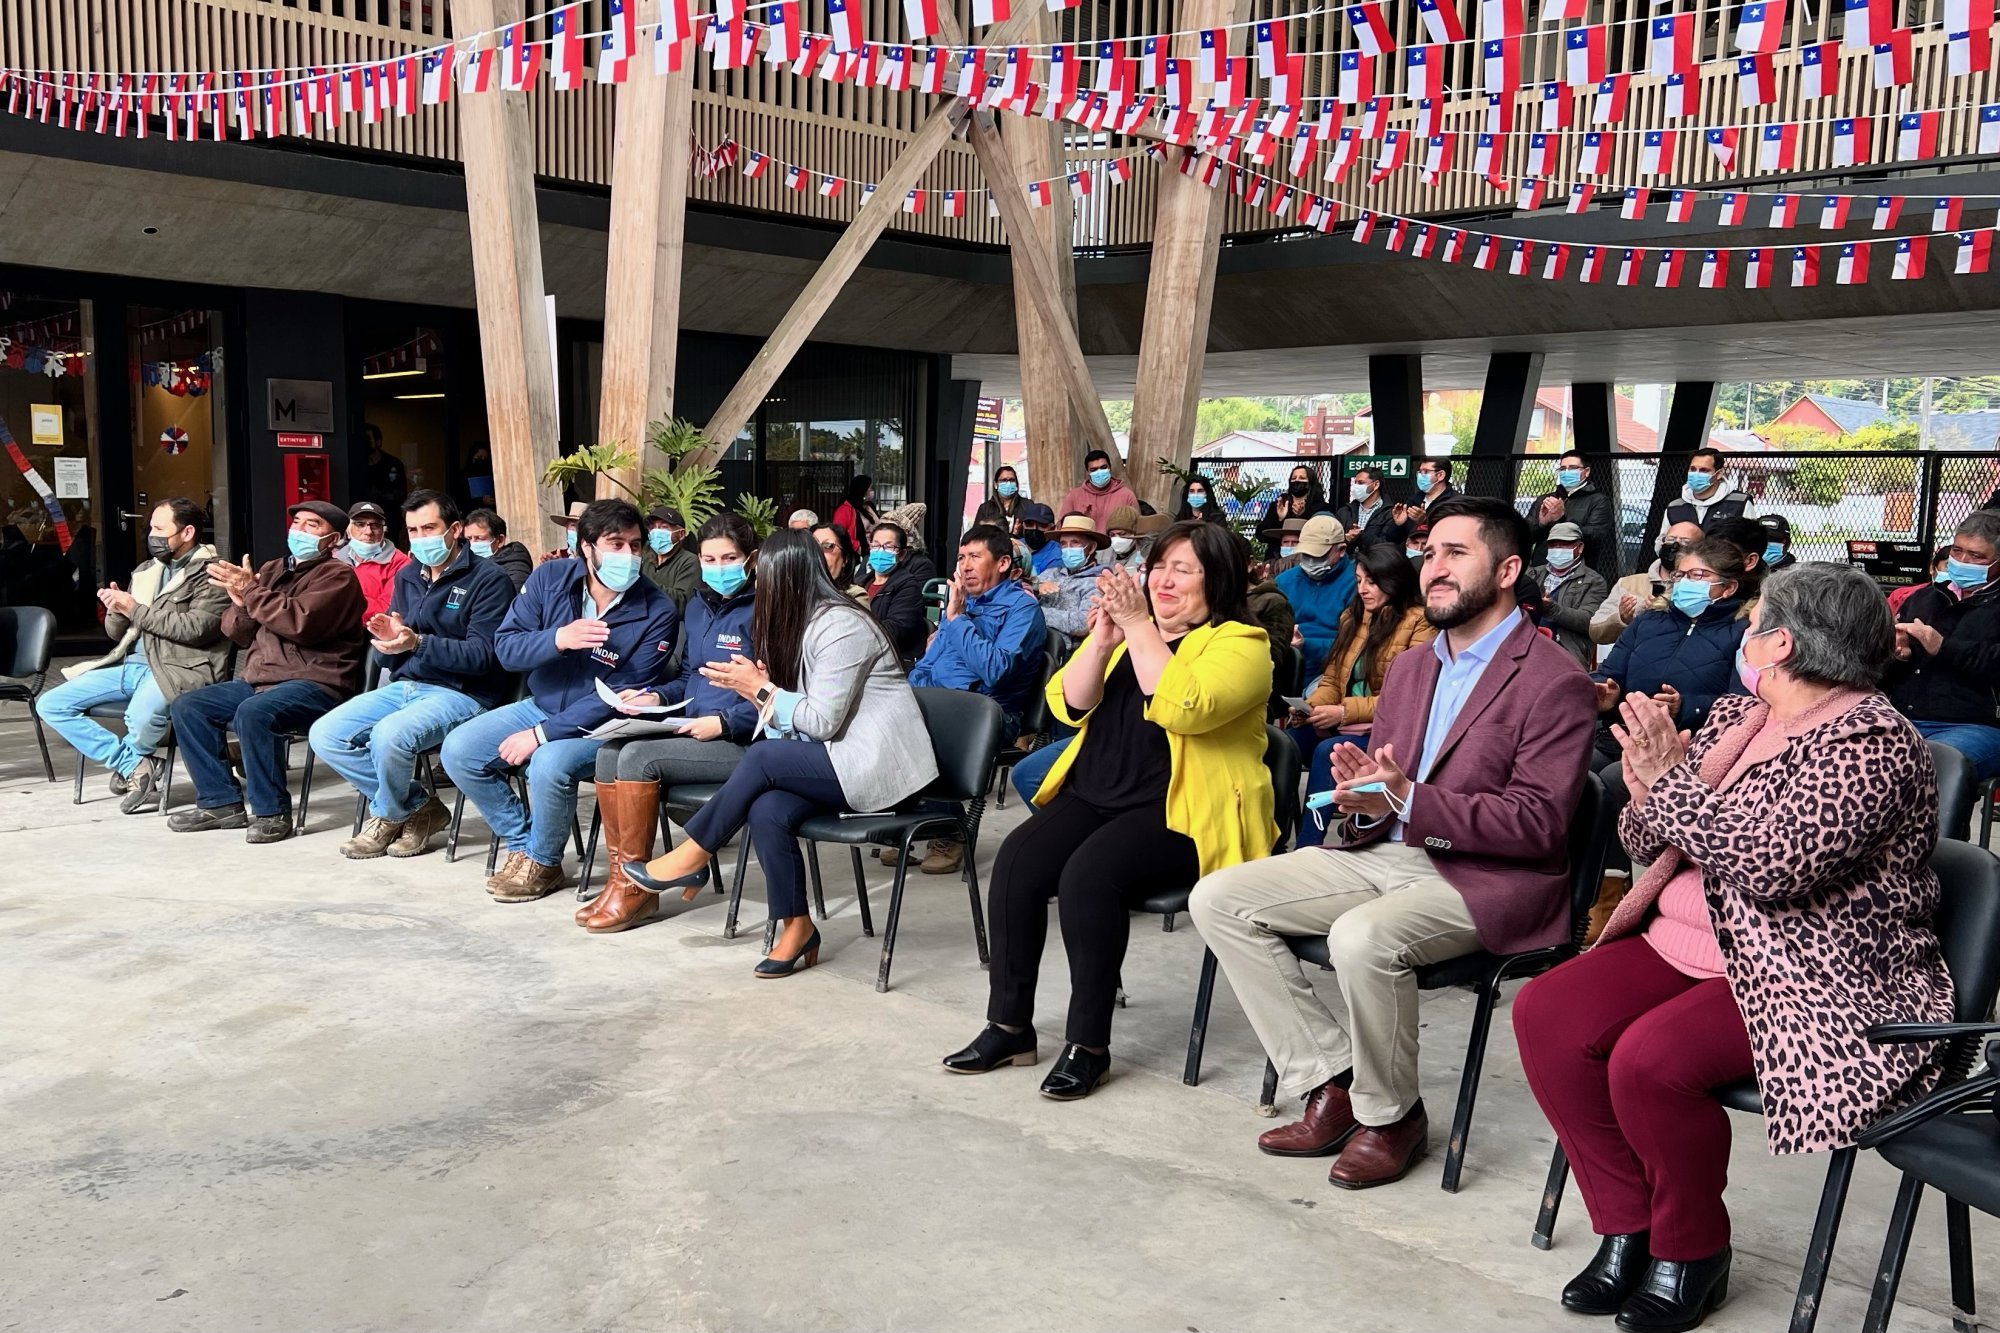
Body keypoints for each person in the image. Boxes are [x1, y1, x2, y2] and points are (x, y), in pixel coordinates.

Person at [1513, 563, 1952, 1332]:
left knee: (1650, 1062)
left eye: (1754, 624)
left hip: (1808, 967)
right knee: (1547, 1011)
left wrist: (1672, 788)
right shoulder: (1737, 717)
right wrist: (1651, 789)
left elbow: (1770, 864)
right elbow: (1645, 839)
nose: (1744, 638)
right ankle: (1628, 1224)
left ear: (1779, 641)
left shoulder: (1874, 745)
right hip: (1686, 938)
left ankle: (1692, 1248)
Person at [1188, 496, 1595, 1189]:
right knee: (1219, 896)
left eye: (1455, 554)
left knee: (1360, 938)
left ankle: (1392, 1115)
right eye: (1430, 552)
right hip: (1383, 853)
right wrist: (1365, 796)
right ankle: (1332, 1078)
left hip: (1485, 878)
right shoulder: (1410, 668)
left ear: (1508, 570)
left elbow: (1537, 825)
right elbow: (1391, 786)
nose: (1433, 568)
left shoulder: (1555, 678)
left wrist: (1409, 796)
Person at [944, 522, 1276, 1099]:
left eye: (1184, 569)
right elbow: (1067, 705)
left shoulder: (1242, 644)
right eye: (1161, 566)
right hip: (1098, 791)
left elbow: (1185, 707)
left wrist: (1140, 624)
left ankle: (1088, 1044)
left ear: (1217, 580)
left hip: (1181, 810)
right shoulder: (1128, 635)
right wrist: (1100, 641)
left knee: (1088, 878)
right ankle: (1009, 1026)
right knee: (1017, 862)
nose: (1165, 580)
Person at [623, 530, 940, 976]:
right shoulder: (805, 624)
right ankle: (797, 926)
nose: (758, 585)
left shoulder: (842, 625)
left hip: (877, 769)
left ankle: (695, 852)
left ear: (786, 577)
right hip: (836, 760)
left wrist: (763, 689)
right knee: (768, 808)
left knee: (761, 760)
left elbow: (821, 720)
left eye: (764, 575)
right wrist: (756, 694)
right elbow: (791, 720)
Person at [441, 499, 678, 902]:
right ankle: (524, 843)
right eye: (615, 544)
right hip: (543, 702)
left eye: (636, 546)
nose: (629, 555)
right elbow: (507, 648)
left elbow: (622, 696)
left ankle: (545, 862)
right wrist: (557, 639)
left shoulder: (657, 609)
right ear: (586, 546)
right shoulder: (551, 578)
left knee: (549, 763)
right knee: (459, 750)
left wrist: (541, 734)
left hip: (603, 727)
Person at [576, 514, 763, 934]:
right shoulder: (697, 606)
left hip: (744, 742)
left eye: (729, 557)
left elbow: (779, 690)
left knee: (640, 758)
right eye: (709, 558)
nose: (719, 567)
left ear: (750, 559)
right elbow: (687, 677)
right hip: (690, 728)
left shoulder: (767, 608)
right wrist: (654, 697)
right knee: (609, 755)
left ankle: (641, 890)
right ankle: (621, 878)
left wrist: (726, 722)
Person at [309, 490, 518, 860]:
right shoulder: (408, 576)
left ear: (454, 530)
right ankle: (419, 807)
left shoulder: (489, 580)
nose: (421, 538)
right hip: (408, 684)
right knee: (325, 734)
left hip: (465, 693)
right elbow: (399, 640)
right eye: (413, 531)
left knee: (390, 736)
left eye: (429, 528)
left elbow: (484, 656)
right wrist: (389, 645)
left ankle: (388, 814)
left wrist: (417, 644)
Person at [167, 500, 369, 842]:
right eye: (298, 523)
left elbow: (300, 623)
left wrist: (252, 591)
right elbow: (239, 633)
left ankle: (272, 811)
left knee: (254, 714)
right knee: (188, 706)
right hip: (261, 679)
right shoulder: (273, 570)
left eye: (312, 526)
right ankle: (220, 803)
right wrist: (240, 603)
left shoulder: (338, 576)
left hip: (316, 682)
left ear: (333, 539)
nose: (300, 530)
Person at [36, 497, 231, 813]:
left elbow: (195, 629)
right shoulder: (146, 571)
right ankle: (133, 765)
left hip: (179, 666)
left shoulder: (214, 573)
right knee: (51, 704)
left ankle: (135, 765)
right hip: (133, 663)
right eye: (150, 527)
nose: (151, 535)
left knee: (138, 718)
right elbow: (118, 633)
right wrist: (116, 609)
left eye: (159, 528)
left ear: (187, 532)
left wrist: (135, 608)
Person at [900, 524, 1048, 876]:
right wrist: (914, 694)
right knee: (892, 718)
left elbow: (997, 668)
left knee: (934, 731)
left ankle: (948, 832)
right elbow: (927, 666)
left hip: (992, 713)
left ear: (1002, 563)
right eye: (961, 557)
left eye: (975, 557)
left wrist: (957, 620)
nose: (965, 566)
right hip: (945, 705)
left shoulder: (1021, 610)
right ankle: (917, 820)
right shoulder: (963, 607)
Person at [1288, 543, 1435, 849]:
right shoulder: (1352, 618)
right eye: (1358, 581)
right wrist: (1311, 706)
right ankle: (1276, 834)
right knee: (1288, 741)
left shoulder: (1419, 621)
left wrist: (1343, 712)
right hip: (1342, 721)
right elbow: (1332, 678)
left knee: (1329, 750)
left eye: (1372, 581)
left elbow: (1409, 696)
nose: (1364, 589)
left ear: (1393, 580)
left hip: (1385, 731)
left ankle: (1309, 845)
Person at [1589, 538, 1752, 772]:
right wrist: (1605, 692)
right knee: (1569, 766)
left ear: (1728, 588)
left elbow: (1741, 704)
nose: (1685, 582)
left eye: (1698, 575)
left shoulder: (1742, 632)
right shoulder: (1649, 620)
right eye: (1680, 575)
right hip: (1621, 735)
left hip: (1687, 747)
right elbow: (1609, 673)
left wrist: (1684, 707)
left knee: (1612, 779)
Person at [1886, 509, 2000, 780]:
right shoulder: (1926, 596)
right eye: (1957, 551)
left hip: (1976, 724)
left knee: (1922, 769)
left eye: (1976, 556)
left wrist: (1943, 647)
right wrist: (1896, 656)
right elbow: (1884, 670)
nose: (1961, 561)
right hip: (1903, 716)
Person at [1591, 521, 1706, 647]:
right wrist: (1622, 619)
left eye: (1685, 542)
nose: (1675, 545)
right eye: (1671, 539)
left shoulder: (1701, 587)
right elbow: (1596, 631)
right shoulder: (1629, 584)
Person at [1275, 515, 1356, 671]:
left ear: (1341, 550)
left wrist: (1307, 645)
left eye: (1319, 555)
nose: (1311, 562)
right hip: (1284, 663)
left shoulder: (1357, 583)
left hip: (1331, 669)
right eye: (1306, 555)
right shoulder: (1284, 581)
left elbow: (1355, 642)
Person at [1523, 521, 1609, 668]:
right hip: (1526, 644)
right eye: (1553, 545)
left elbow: (1590, 622)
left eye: (1564, 544)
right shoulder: (1532, 574)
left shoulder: (1594, 581)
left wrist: (1552, 609)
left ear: (1580, 547)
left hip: (1566, 649)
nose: (1557, 549)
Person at [1530, 450, 1622, 582]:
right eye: (1562, 468)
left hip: (1579, 574)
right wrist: (1542, 524)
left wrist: (1561, 519)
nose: (1567, 472)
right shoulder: (1545, 500)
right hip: (1541, 570)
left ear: (1587, 471)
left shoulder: (1598, 501)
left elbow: (1595, 536)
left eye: (1573, 468)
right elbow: (1525, 535)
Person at [862, 517, 936, 666]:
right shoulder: (861, 583)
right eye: (875, 546)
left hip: (893, 661)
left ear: (901, 554)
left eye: (888, 547)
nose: (880, 551)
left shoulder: (908, 586)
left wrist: (856, 631)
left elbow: (896, 630)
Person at [1036, 514, 1112, 651]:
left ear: (1091, 547)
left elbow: (1082, 623)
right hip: (1034, 642)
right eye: (1063, 544)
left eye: (1075, 543)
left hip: (1065, 653)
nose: (1068, 549)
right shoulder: (1050, 573)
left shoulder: (1098, 582)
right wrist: (1035, 588)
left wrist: (1037, 612)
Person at [335, 500, 410, 621]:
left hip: (374, 633)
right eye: (360, 524)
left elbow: (387, 609)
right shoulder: (335, 559)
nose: (368, 532)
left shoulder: (400, 563)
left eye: (375, 525)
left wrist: (338, 604)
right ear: (348, 530)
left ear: (384, 530)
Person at [1664, 447, 1758, 530]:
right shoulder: (1675, 506)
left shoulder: (1740, 503)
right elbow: (1662, 541)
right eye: (1692, 469)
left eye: (1704, 470)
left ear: (1718, 474)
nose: (1696, 474)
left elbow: (1753, 540)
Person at [1257, 464, 1330, 555]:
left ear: (1310, 483)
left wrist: (1303, 515)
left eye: (1302, 478)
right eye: (1294, 478)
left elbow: (1323, 536)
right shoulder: (1280, 504)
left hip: (1308, 556)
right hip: (1277, 557)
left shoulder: (1321, 507)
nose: (1297, 480)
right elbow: (1261, 535)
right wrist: (1279, 519)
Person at [1334, 466, 1410, 551]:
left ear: (1376, 485)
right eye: (1355, 482)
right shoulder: (1345, 512)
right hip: (1347, 562)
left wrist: (1361, 536)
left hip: (1374, 562)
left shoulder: (1390, 513)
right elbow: (1332, 541)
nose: (1356, 486)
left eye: (1361, 483)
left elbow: (1388, 545)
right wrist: (1346, 539)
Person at [1056, 449, 1138, 528]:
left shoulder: (1127, 495)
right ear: (1088, 472)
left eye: (1103, 467)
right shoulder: (1074, 496)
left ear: (1110, 467)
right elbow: (1062, 526)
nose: (1099, 472)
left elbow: (1137, 526)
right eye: (1094, 470)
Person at [641, 505, 698, 612]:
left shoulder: (689, 561)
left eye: (663, 527)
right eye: (652, 528)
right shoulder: (645, 559)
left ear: (681, 534)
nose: (656, 532)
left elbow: (683, 602)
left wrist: (643, 585)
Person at [464, 508, 532, 590]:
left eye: (479, 538)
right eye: (469, 539)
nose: (472, 544)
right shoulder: (468, 564)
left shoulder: (515, 568)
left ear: (500, 540)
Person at [1887, 543, 1952, 617]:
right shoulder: (1900, 596)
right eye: (1949, 566)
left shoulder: (1966, 604)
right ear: (1932, 568)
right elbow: (1882, 623)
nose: (1954, 572)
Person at [811, 521, 868, 602]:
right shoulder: (797, 592)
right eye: (813, 547)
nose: (819, 553)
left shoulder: (855, 597)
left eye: (828, 546)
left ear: (845, 559)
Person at [362, 423, 408, 521]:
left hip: (390, 517)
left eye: (367, 439)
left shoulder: (393, 464)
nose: (364, 443)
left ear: (378, 442)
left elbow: (400, 493)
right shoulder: (357, 465)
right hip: (364, 516)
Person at [830, 475, 880, 549]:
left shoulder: (869, 506)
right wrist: (858, 548)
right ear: (863, 490)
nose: (872, 491)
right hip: (859, 552)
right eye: (870, 488)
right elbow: (838, 533)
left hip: (875, 549)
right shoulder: (845, 510)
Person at [1019, 501, 1061, 575]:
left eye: (1042, 525)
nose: (1034, 529)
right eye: (1029, 524)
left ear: (1052, 528)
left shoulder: (1057, 555)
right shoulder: (1016, 545)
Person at [1102, 505, 1145, 575]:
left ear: (1135, 534)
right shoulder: (1103, 554)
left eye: (1122, 534)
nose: (1117, 538)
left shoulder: (1144, 556)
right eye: (1112, 535)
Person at [990, 465, 1028, 533]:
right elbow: (977, 535)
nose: (1008, 484)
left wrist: (1021, 532)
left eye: (1012, 480)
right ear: (995, 484)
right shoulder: (985, 508)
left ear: (1016, 483)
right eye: (1003, 480)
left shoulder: (1027, 506)